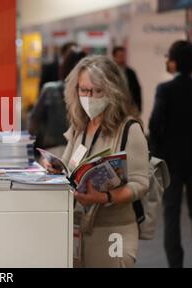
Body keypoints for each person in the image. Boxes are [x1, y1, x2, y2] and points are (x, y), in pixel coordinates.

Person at [47, 55, 149, 267]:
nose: (89, 97)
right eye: (84, 90)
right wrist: (56, 168)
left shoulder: (130, 129)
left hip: (114, 229)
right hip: (77, 227)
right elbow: (67, 166)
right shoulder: (80, 126)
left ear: (113, 90)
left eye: (97, 91)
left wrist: (103, 197)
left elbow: (141, 184)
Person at [148, 40, 192, 268]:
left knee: (172, 216)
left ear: (174, 61)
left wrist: (157, 153)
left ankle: (176, 265)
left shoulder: (165, 90)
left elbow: (155, 124)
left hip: (172, 163)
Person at [29, 48, 86, 157]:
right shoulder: (87, 93)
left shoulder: (50, 89)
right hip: (79, 149)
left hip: (53, 148)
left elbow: (34, 121)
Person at [112, 46, 142, 113]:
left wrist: (139, 107)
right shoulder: (109, 72)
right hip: (114, 107)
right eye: (119, 56)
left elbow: (137, 90)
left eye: (123, 55)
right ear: (114, 57)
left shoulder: (130, 72)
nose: (122, 58)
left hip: (128, 106)